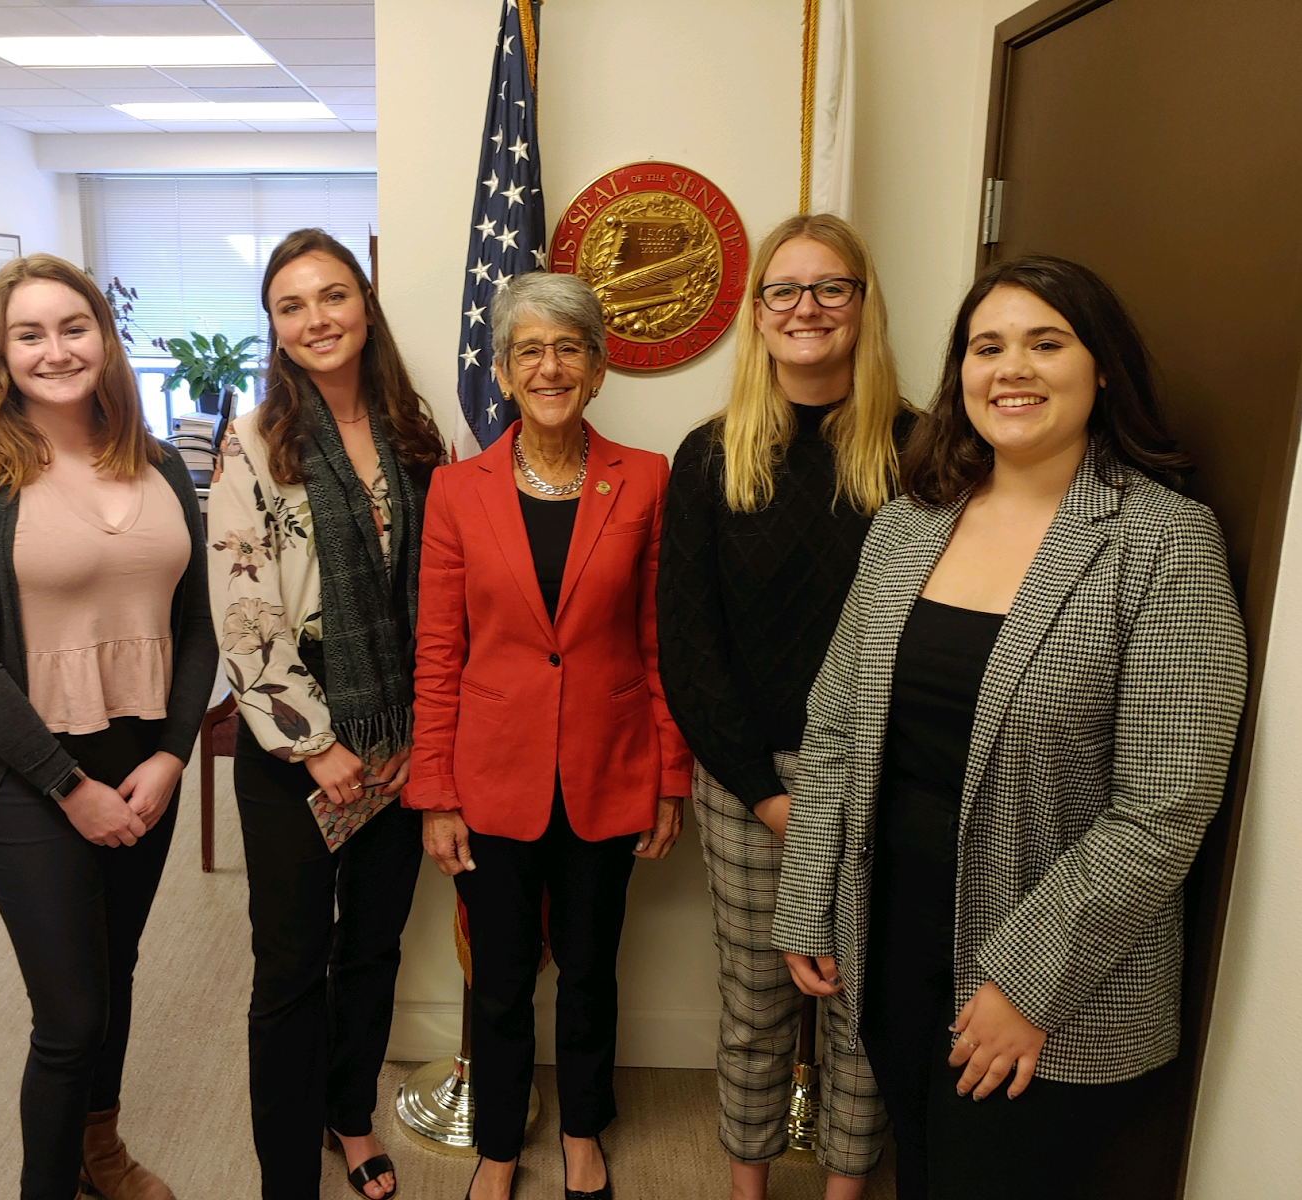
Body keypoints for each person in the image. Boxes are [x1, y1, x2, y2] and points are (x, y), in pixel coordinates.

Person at [774, 255, 1248, 1199]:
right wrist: (809, 898)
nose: (1012, 369)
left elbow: (1162, 809)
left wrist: (1025, 982)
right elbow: (835, 731)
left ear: (1101, 368)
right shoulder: (909, 524)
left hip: (1052, 981)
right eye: (987, 347)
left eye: (1046, 343)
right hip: (891, 944)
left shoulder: (1162, 540)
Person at [0, 253, 215, 1200]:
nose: (56, 350)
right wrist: (67, 787)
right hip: (27, 773)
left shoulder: (159, 461)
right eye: (30, 334)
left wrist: (172, 755)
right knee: (71, 1014)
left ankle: (100, 1154)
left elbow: (199, 626)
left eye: (74, 327)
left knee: (115, 970)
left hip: (142, 763)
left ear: (105, 338)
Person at [404, 271, 692, 1200]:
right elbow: (439, 650)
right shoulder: (457, 490)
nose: (550, 367)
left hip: (609, 770)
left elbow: (659, 638)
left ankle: (581, 1132)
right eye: (529, 350)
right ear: (502, 371)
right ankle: (498, 1143)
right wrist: (434, 791)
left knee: (589, 972)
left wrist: (670, 777)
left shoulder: (645, 478)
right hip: (490, 778)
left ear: (599, 370)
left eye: (569, 348)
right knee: (497, 979)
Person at [658, 213, 906, 1200]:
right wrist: (766, 795)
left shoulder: (926, 451)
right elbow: (689, 649)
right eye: (784, 290)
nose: (807, 308)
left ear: (862, 304)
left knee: (861, 1006)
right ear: (757, 314)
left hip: (884, 779)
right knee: (756, 1000)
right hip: (746, 779)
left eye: (830, 287)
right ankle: (746, 1188)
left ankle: (846, 1188)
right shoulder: (708, 457)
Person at [208, 228, 443, 1200]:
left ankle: (350, 1116)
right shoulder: (254, 441)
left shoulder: (415, 432)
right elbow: (242, 604)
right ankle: (283, 1172)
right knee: (291, 967)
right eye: (291, 305)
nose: (316, 318)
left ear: (365, 305)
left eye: (333, 295)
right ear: (273, 326)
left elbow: (443, 590)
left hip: (398, 737)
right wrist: (315, 746)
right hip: (293, 743)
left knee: (373, 949)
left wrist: (420, 731)